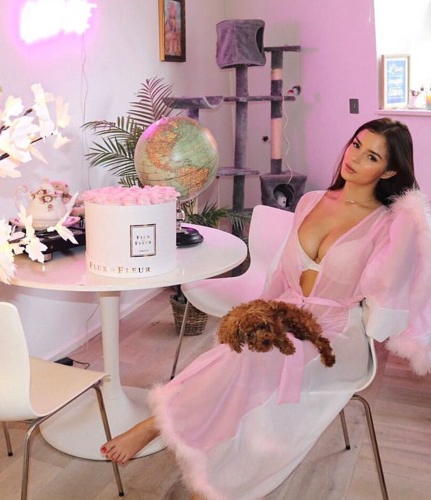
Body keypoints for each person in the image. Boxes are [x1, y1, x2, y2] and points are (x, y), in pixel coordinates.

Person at [101, 118, 431, 499]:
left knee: (251, 358)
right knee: (239, 351)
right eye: (356, 144)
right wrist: (259, 314)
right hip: (286, 313)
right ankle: (210, 473)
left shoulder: (389, 224)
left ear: (389, 171)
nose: (354, 158)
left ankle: (161, 429)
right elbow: (279, 274)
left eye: (371, 156)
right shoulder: (310, 202)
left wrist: (409, 223)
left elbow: (387, 305)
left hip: (338, 333)